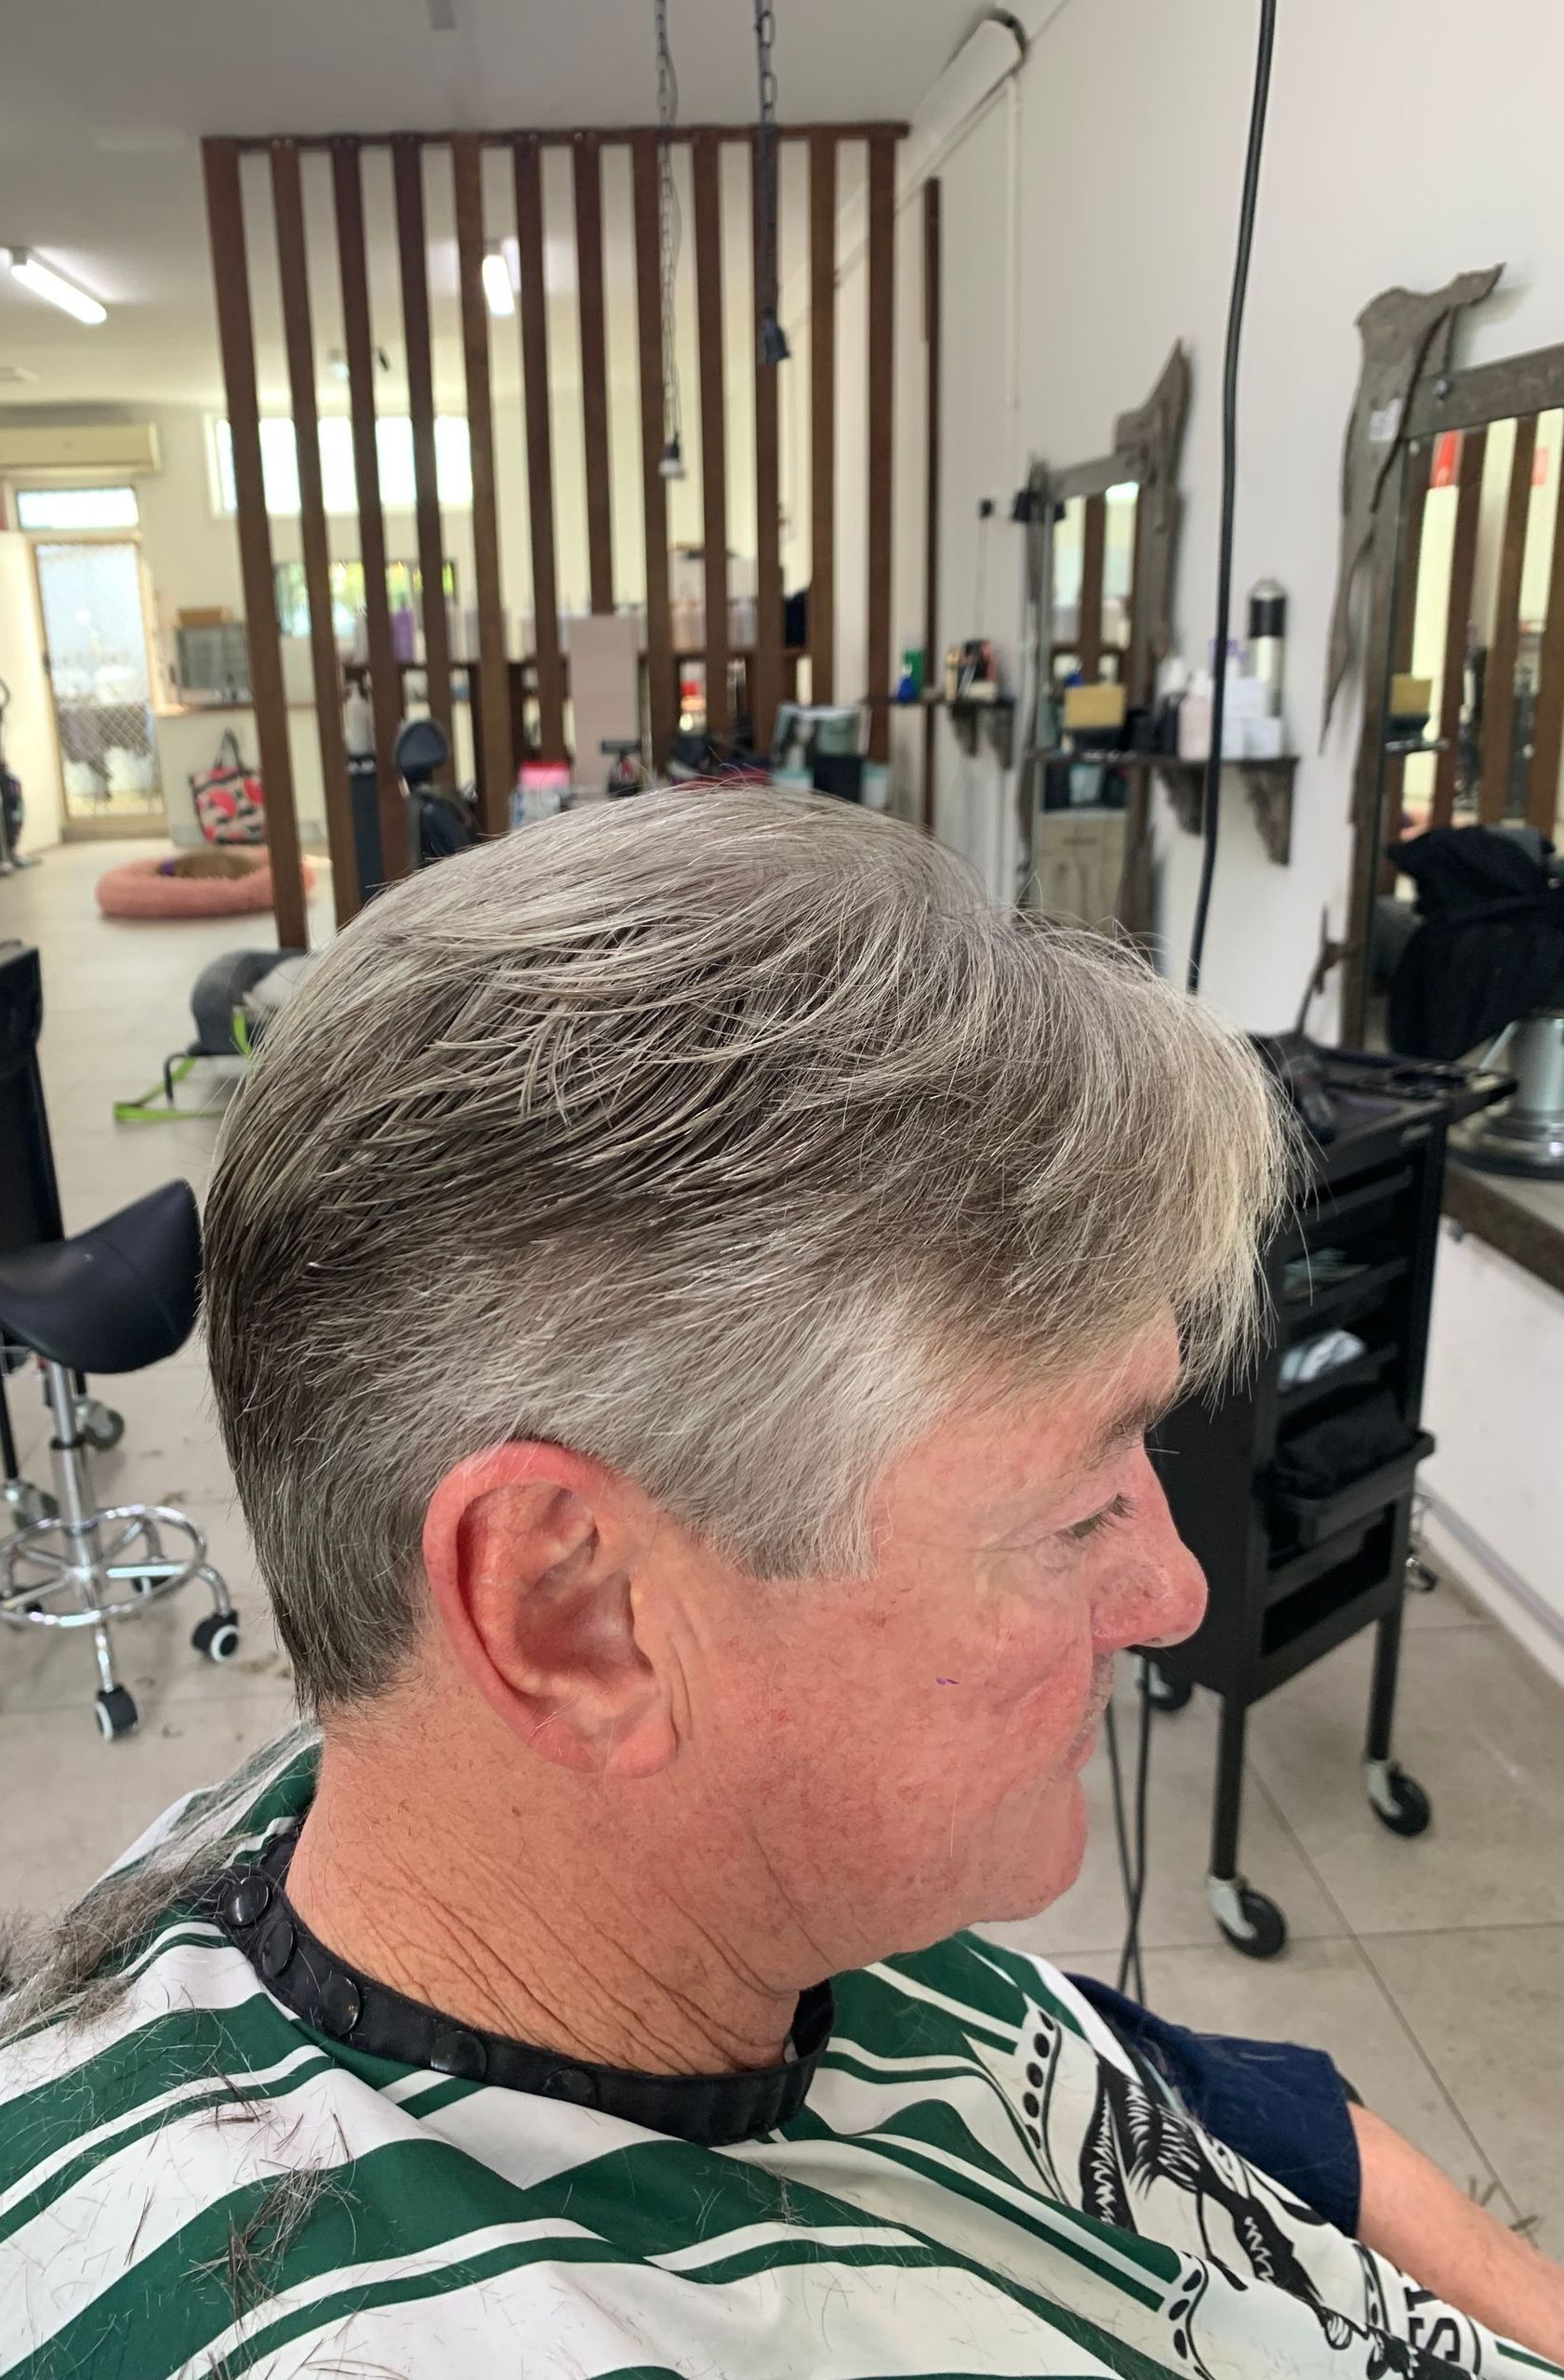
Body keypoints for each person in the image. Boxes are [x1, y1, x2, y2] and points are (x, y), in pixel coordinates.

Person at [2, 788, 1560, 2380]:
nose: (1169, 1594)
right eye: (1079, 1508)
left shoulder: (744, 1894)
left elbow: (1239, 2127)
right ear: (575, 1620)